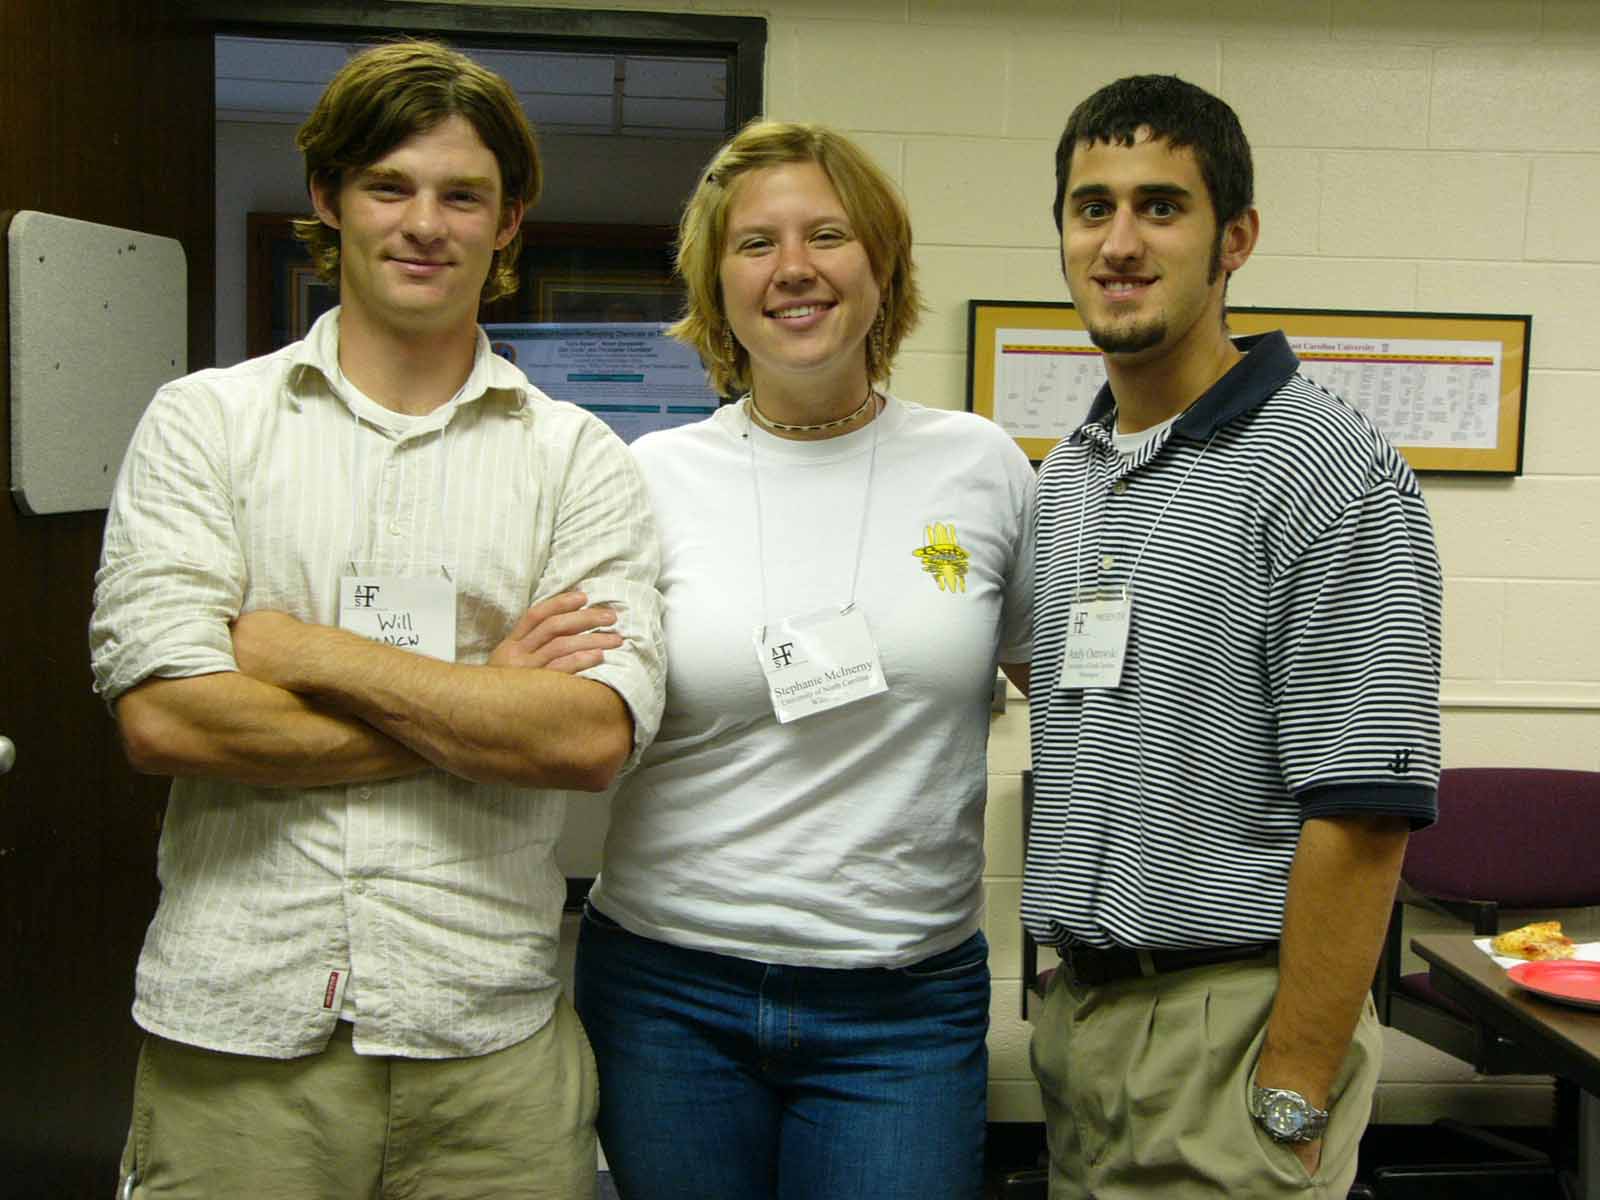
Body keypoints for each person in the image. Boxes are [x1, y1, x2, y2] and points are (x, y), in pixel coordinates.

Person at [90, 40, 664, 1200]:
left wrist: (302, 652)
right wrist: (481, 695)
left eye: (464, 195)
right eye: (389, 186)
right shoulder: (206, 426)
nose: (425, 224)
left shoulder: (579, 462)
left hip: (485, 1045)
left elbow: (584, 740)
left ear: (509, 223)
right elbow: (166, 722)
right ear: (327, 198)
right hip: (237, 1040)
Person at [572, 120, 1035, 1200]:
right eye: (753, 244)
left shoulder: (980, 467)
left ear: (881, 264)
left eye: (826, 235)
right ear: (715, 282)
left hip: (901, 1006)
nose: (792, 269)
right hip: (669, 992)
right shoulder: (647, 477)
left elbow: (1063, 692)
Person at [1019, 74, 1443, 1199]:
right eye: (1089, 207)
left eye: (1160, 207)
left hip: (1235, 1030)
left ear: (1234, 239)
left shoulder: (1329, 469)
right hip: (1086, 1022)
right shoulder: (1069, 475)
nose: (1118, 242)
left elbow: (1363, 813)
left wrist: (1295, 1078)